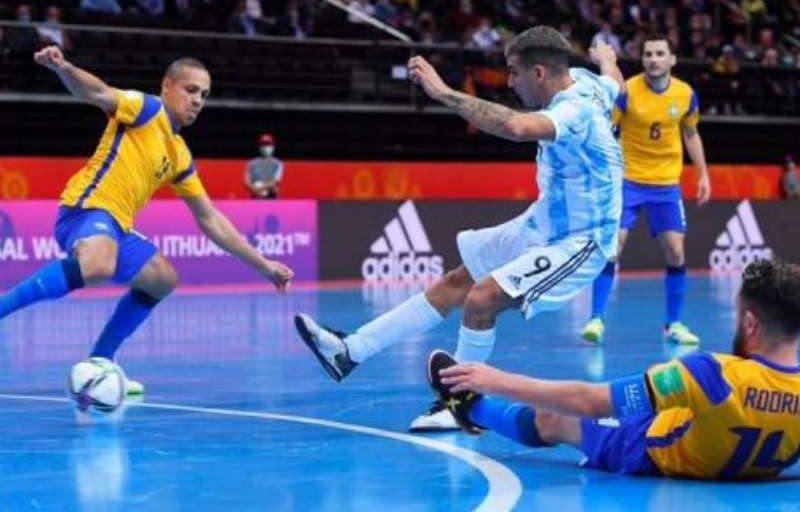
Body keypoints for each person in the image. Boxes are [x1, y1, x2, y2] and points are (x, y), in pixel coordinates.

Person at [294, 26, 625, 432]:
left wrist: (444, 93)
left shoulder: (574, 110)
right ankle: (349, 351)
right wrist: (607, 58)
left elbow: (518, 128)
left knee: (481, 298)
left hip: (580, 239)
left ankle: (461, 403)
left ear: (539, 72)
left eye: (514, 72)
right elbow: (614, 83)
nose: (510, 82)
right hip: (544, 221)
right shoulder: (592, 83)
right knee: (456, 283)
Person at [0, 46, 294, 396]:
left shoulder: (180, 154)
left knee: (162, 279)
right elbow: (97, 92)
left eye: (204, 95)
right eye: (191, 90)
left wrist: (263, 266)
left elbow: (210, 219)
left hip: (116, 227)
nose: (198, 100)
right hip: (85, 209)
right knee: (98, 264)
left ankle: (100, 362)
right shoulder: (145, 108)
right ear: (167, 85)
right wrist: (64, 68)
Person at [428, 258, 800, 480]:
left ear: (750, 324)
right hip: (720, 443)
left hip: (649, 448)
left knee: (552, 418)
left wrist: (496, 379)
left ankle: (470, 407)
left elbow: (591, 401)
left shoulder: (712, 373)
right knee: (664, 384)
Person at [582, 34, 711, 346]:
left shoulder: (685, 94)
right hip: (627, 180)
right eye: (648, 54)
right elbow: (606, 128)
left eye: (659, 53)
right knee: (614, 247)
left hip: (666, 184)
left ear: (671, 60)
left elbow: (691, 134)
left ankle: (674, 325)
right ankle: (596, 319)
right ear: (643, 60)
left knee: (676, 251)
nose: (654, 58)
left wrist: (703, 174)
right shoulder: (628, 91)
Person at [244, 133, 283, 199]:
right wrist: (255, 190)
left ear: (272, 146)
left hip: (272, 197)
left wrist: (261, 188)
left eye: (268, 144)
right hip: (256, 197)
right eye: (263, 144)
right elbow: (246, 181)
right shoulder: (252, 163)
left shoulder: (277, 163)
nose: (266, 147)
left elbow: (276, 181)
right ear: (259, 146)